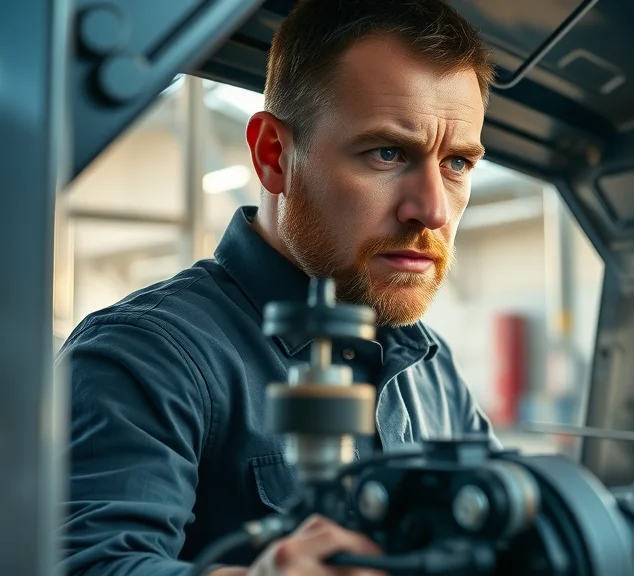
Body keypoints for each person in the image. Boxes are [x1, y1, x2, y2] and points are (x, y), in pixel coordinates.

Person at [57, 1, 498, 574]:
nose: (433, 209)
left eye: (457, 163)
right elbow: (88, 562)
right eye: (387, 153)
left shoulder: (428, 365)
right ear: (273, 155)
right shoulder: (146, 355)